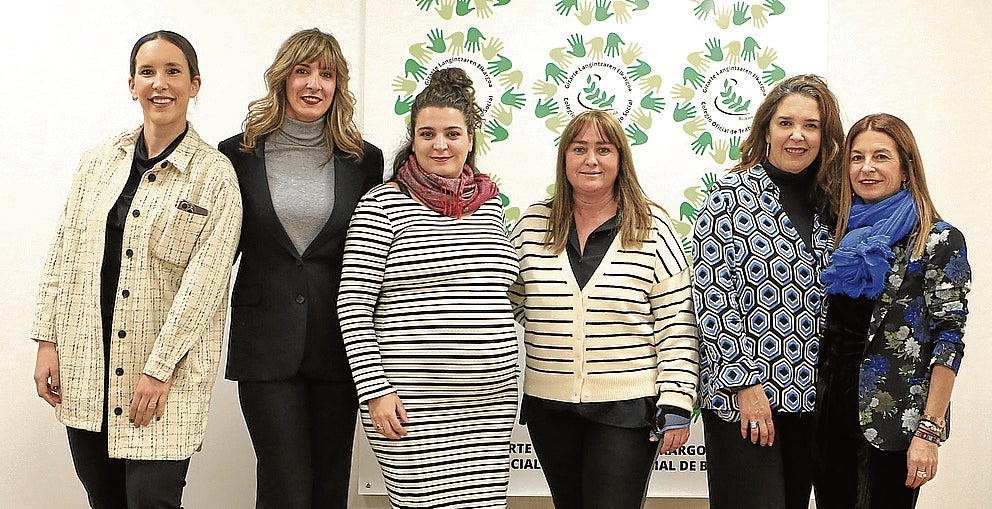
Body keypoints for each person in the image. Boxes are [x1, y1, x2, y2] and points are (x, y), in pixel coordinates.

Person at [30, 30, 242, 508]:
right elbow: (63, 252)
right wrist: (47, 340)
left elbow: (205, 287)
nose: (159, 83)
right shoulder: (97, 163)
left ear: (194, 84)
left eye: (173, 71)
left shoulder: (214, 176)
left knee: (152, 500)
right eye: (147, 72)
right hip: (86, 365)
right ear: (132, 85)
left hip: (164, 377)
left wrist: (159, 370)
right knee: (102, 497)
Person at [337, 67, 518, 508]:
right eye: (427, 134)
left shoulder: (491, 205)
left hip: (490, 403)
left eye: (452, 133)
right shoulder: (381, 204)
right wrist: (375, 391)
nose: (440, 145)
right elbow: (353, 305)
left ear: (470, 139)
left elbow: (504, 292)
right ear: (413, 139)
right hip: (410, 401)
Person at [218, 28, 383, 509]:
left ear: (338, 86)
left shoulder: (364, 160)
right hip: (264, 344)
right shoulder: (237, 154)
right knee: (284, 487)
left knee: (330, 486)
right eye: (302, 71)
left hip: (339, 343)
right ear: (282, 79)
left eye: (326, 75)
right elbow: (217, 250)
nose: (313, 84)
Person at [508, 109, 700, 509]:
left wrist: (678, 400)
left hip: (627, 408)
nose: (591, 160)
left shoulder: (652, 227)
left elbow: (677, 324)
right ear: (564, 158)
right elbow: (513, 300)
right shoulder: (532, 225)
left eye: (603, 149)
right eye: (579, 149)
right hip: (550, 407)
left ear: (620, 159)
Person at [691, 74, 845, 509]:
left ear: (825, 137)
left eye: (811, 126)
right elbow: (712, 298)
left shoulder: (835, 204)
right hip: (745, 400)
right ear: (765, 131)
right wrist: (744, 385)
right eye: (786, 123)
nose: (798, 135)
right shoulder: (729, 197)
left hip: (812, 403)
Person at [814, 113, 970, 509]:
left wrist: (930, 432)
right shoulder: (835, 234)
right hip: (828, 417)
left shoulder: (937, 239)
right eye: (857, 157)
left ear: (905, 169)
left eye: (880, 156)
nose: (866, 168)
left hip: (894, 421)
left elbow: (949, 338)